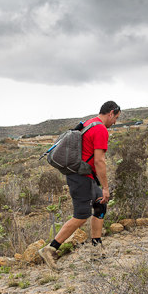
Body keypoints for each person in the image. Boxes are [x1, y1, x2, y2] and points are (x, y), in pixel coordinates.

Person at [39, 101, 121, 270]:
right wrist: (105, 187)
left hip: (84, 175)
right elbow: (99, 161)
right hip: (80, 177)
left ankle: (97, 248)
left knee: (100, 204)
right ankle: (50, 248)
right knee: (81, 215)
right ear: (111, 113)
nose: (115, 122)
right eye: (116, 118)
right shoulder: (100, 129)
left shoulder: (90, 122)